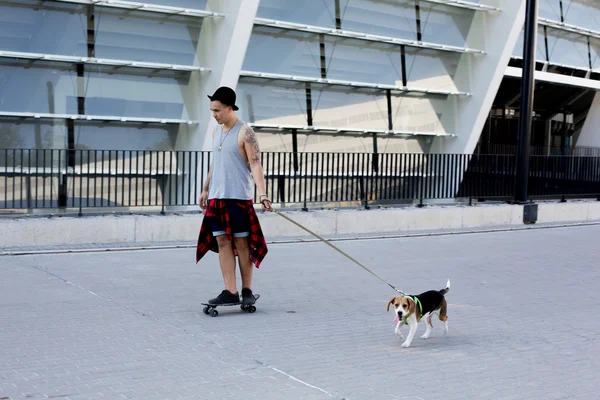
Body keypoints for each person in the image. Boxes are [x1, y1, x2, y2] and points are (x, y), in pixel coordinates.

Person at [196, 86, 272, 307]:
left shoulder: (245, 131)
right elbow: (216, 162)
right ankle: (230, 291)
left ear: (230, 107)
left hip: (238, 197)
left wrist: (263, 193)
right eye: (212, 110)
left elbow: (256, 163)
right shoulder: (216, 131)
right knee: (221, 241)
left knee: (241, 243)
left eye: (217, 110)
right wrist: (205, 188)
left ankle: (247, 290)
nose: (214, 115)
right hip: (217, 197)